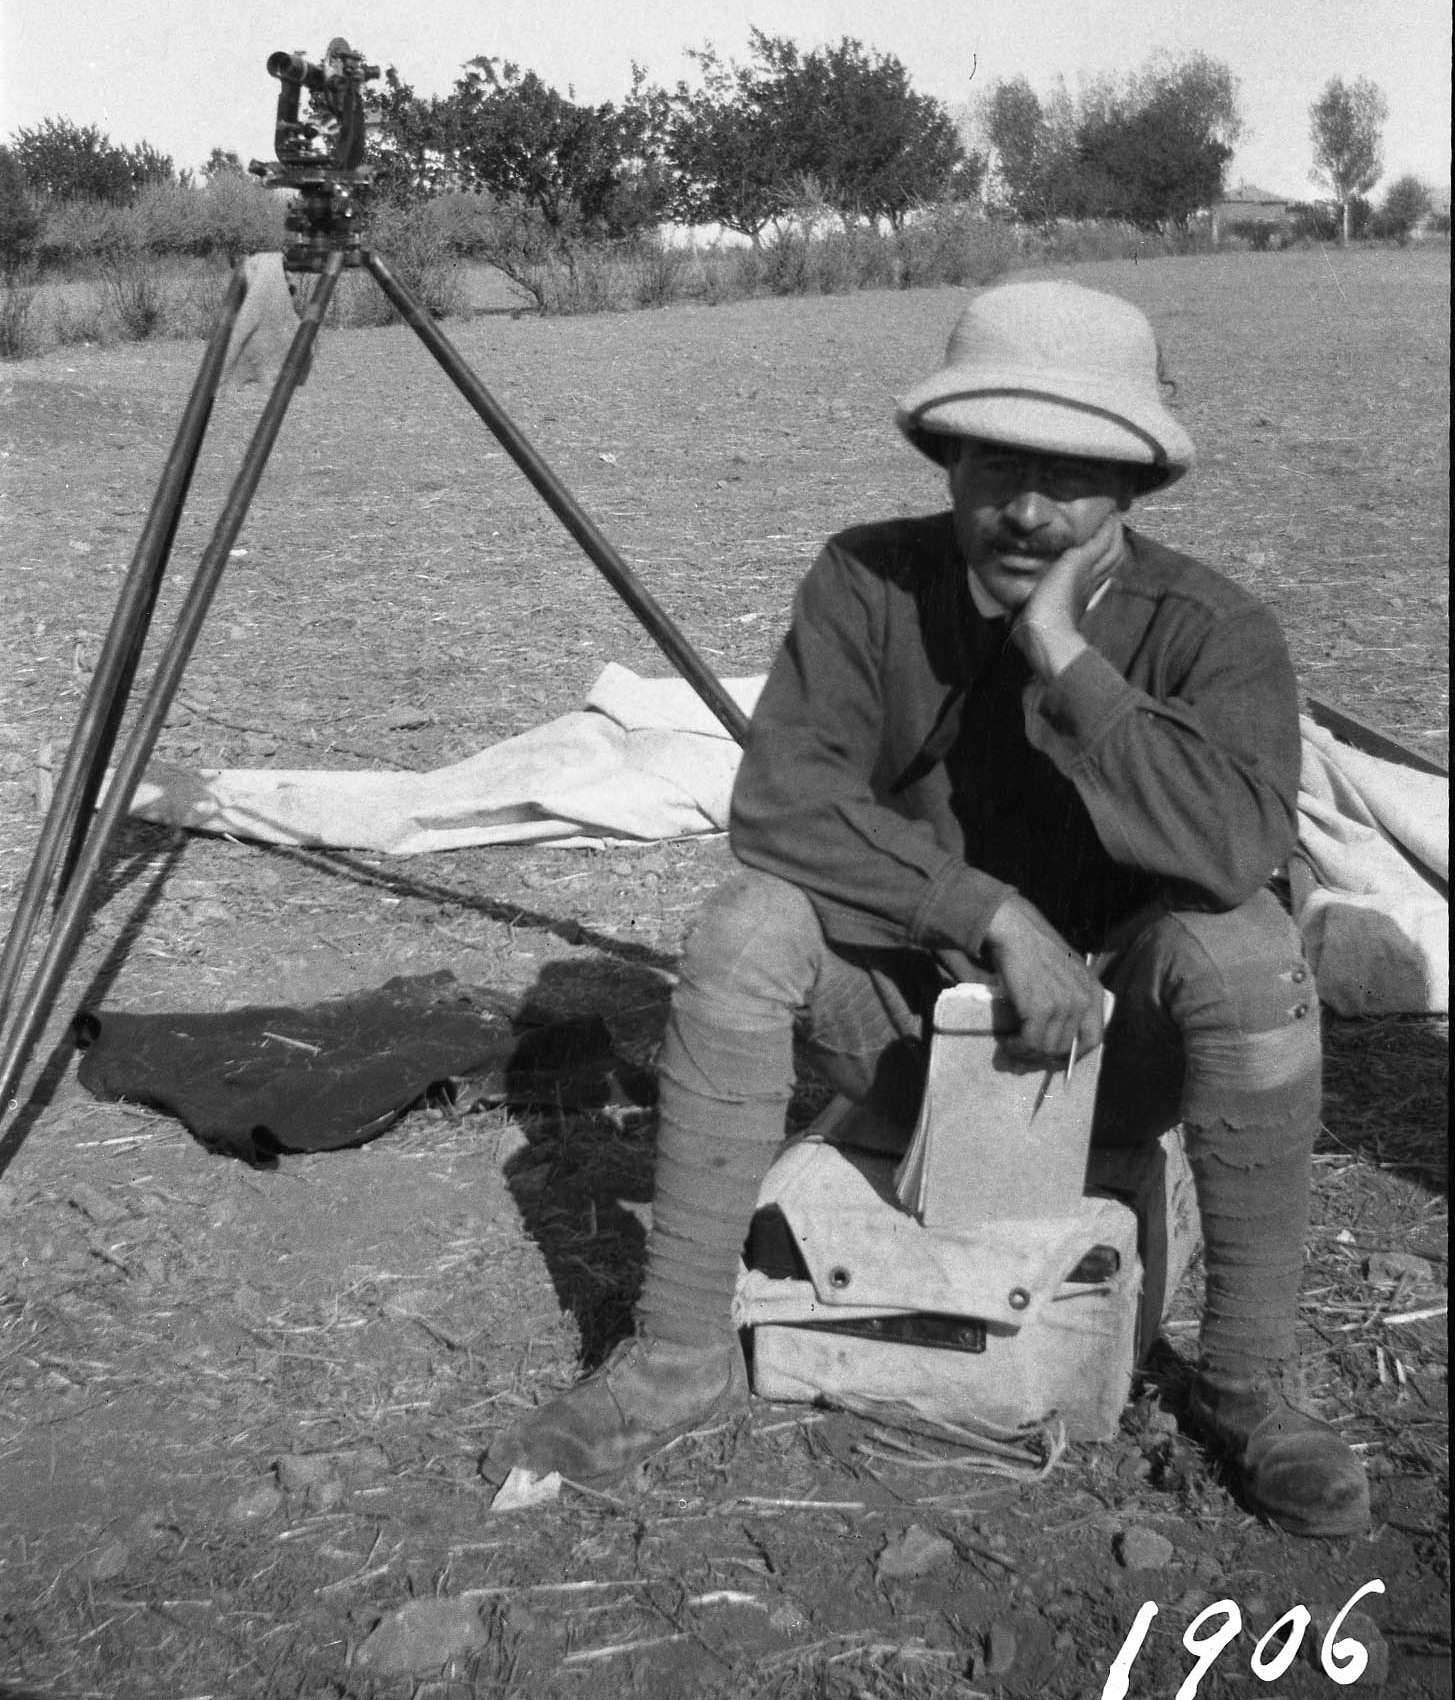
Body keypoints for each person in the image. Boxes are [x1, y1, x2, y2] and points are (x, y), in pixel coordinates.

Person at [485, 280, 1369, 1538]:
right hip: (900, 1039)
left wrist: (1066, 656)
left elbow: (1236, 847)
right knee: (747, 928)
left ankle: (1244, 1384)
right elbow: (781, 801)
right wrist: (990, 911)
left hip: (1110, 1064)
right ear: (945, 458)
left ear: (1134, 494)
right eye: (995, 462)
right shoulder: (865, 582)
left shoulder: (1216, 630)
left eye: (1074, 477)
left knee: (1248, 954)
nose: (1027, 509)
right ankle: (678, 1358)